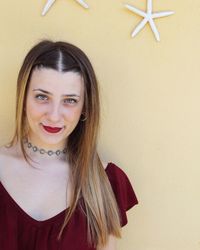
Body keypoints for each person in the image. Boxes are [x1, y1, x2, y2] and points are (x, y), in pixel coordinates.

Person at [0, 40, 138, 250]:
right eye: (42, 97)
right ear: (24, 97)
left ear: (85, 106)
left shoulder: (106, 182)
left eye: (70, 100)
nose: (54, 116)